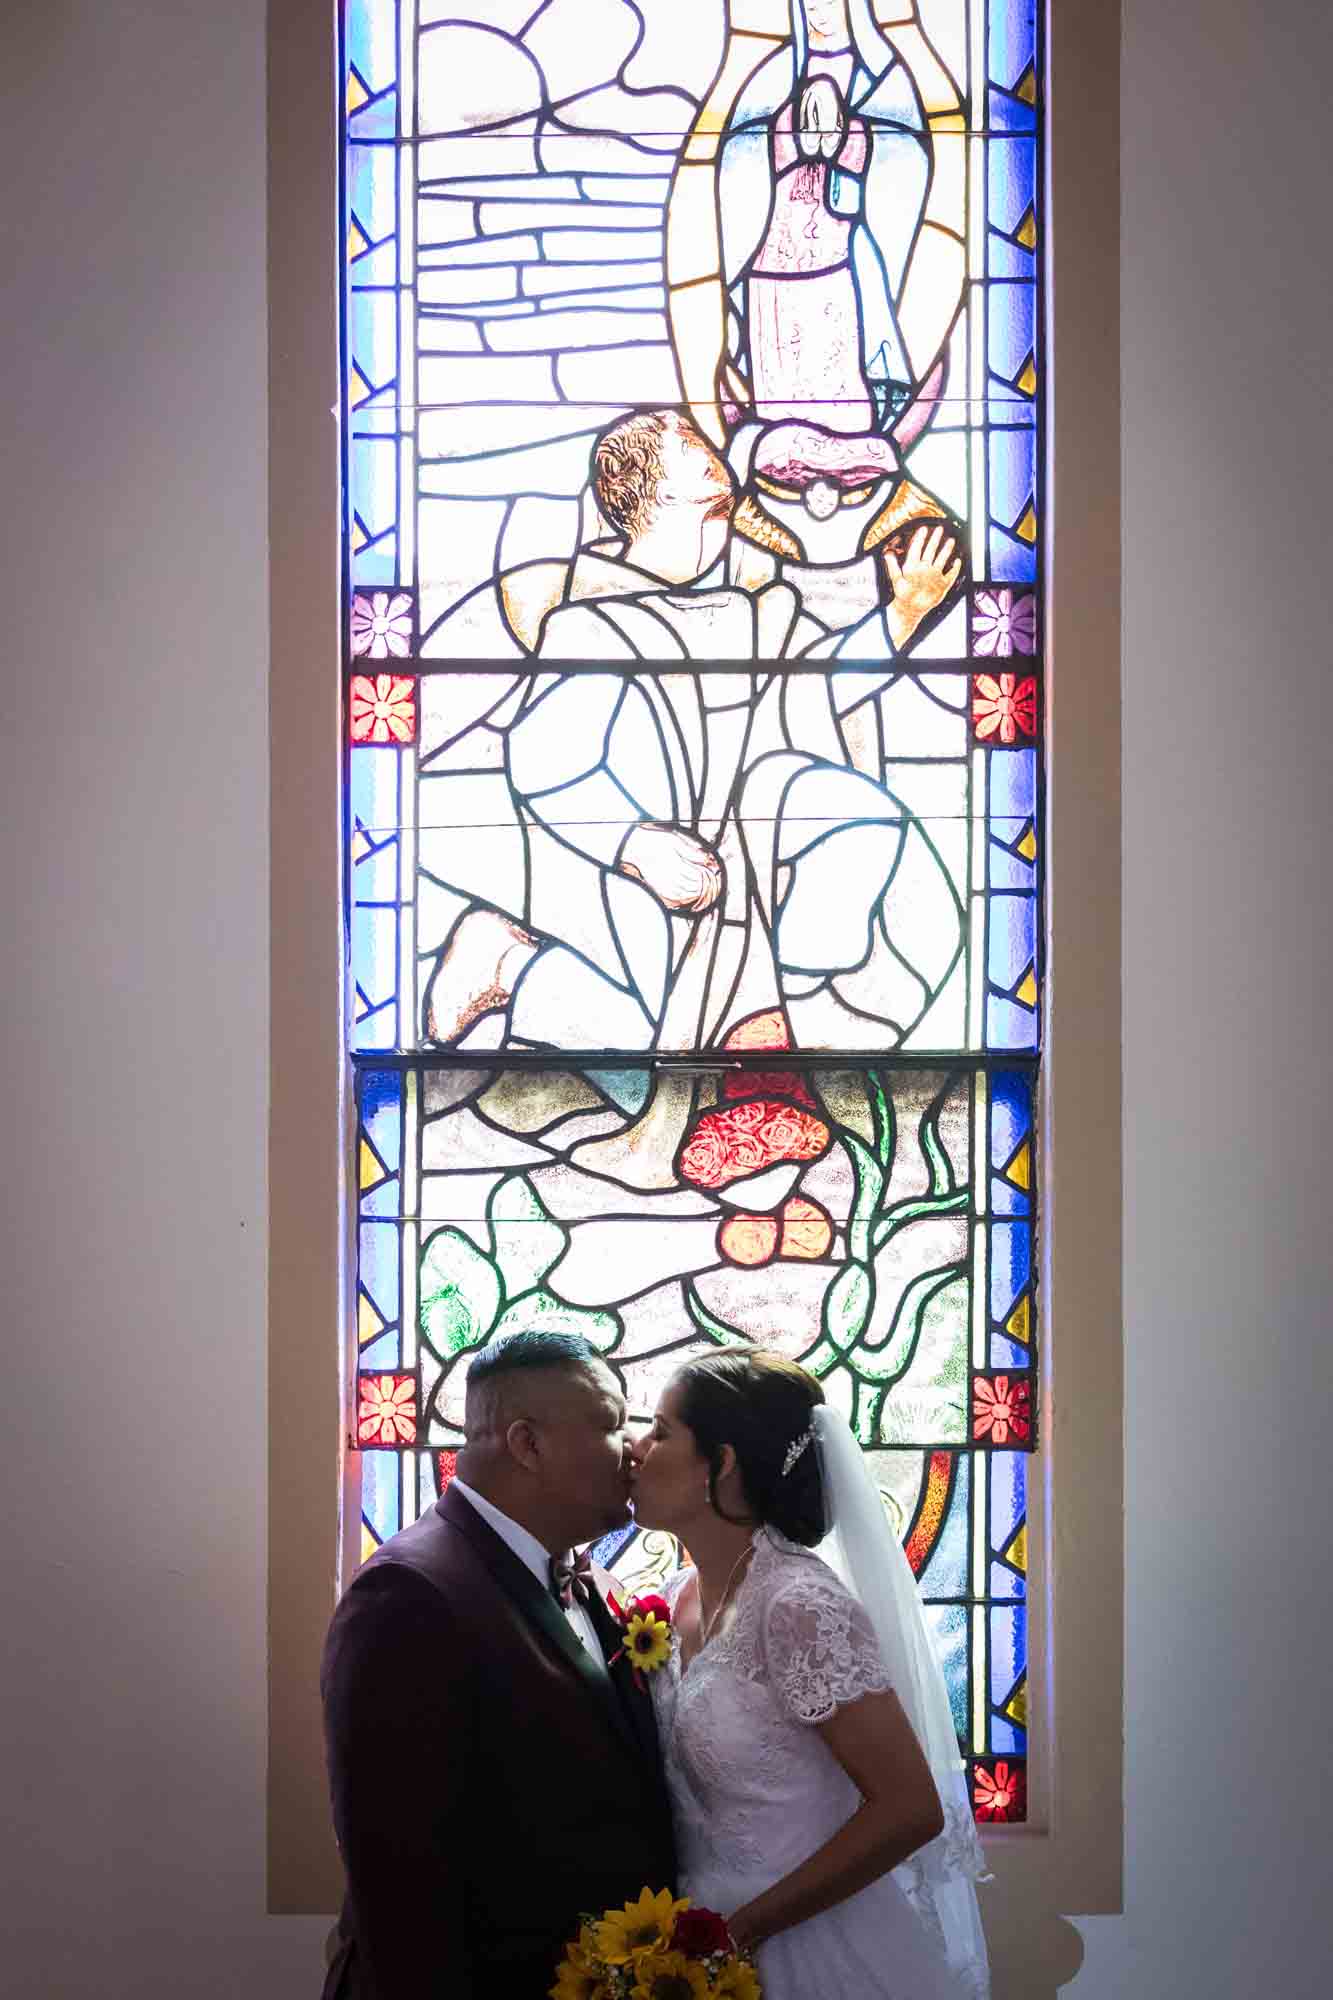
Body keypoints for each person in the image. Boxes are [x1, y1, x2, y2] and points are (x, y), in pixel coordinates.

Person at [319, 1331, 676, 1999]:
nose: (633, 1448)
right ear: (526, 1444)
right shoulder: (410, 1596)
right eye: (609, 1423)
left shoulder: (592, 1582)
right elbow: (399, 1879)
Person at [629, 1348, 990, 2000]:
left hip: (809, 1947)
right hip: (693, 1943)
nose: (635, 1450)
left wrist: (744, 1929)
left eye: (660, 1431)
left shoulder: (798, 1604)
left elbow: (909, 1809)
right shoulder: (674, 1597)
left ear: (724, 1462)